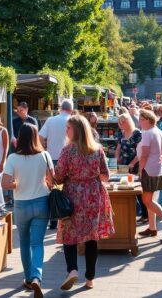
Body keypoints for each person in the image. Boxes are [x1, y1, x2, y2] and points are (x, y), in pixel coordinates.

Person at [54, 115, 114, 291]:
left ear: (76, 130)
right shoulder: (97, 150)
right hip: (93, 196)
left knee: (69, 235)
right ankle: (90, 278)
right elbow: (106, 176)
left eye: (68, 128)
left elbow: (58, 176)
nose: (66, 131)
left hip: (72, 196)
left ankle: (72, 270)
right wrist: (91, 175)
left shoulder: (67, 151)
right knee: (91, 237)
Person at [1, 124, 53, 298]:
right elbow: (52, 181)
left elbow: (5, 184)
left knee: (24, 242)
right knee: (37, 243)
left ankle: (28, 278)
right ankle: (37, 277)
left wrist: (17, 184)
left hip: (21, 204)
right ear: (35, 137)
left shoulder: (13, 158)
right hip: (41, 202)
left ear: (20, 137)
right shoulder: (45, 156)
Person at [136, 109, 162, 238]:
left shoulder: (147, 133)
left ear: (148, 120)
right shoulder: (159, 132)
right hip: (157, 169)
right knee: (150, 200)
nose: (139, 121)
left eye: (141, 119)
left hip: (149, 170)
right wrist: (157, 162)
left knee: (147, 201)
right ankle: (152, 228)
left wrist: (140, 169)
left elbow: (145, 154)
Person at [39, 99, 73, 229]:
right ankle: (67, 216)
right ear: (70, 109)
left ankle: (54, 220)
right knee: (67, 188)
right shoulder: (73, 121)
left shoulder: (50, 120)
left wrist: (44, 149)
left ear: (60, 109)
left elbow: (40, 137)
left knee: (53, 189)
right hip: (69, 159)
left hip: (51, 158)